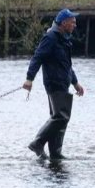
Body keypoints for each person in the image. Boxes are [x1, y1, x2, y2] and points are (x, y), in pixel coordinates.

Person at [22, 8, 85, 160]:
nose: (75, 25)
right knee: (61, 117)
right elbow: (37, 57)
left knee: (61, 117)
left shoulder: (64, 38)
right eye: (72, 22)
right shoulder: (50, 37)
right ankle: (37, 143)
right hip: (54, 82)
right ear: (64, 23)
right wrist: (29, 79)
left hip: (64, 82)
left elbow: (67, 65)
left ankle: (55, 153)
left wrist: (75, 83)